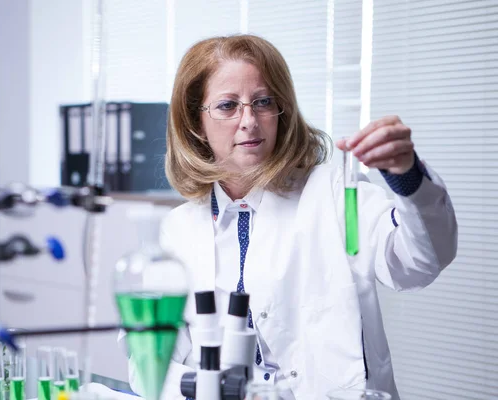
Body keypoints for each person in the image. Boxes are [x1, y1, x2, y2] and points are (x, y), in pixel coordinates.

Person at [121, 34, 458, 400]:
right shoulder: (178, 229)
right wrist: (210, 388)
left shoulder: (332, 194)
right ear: (194, 123)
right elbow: (148, 361)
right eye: (227, 106)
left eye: (263, 101)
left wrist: (405, 176)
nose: (248, 120)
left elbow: (418, 263)